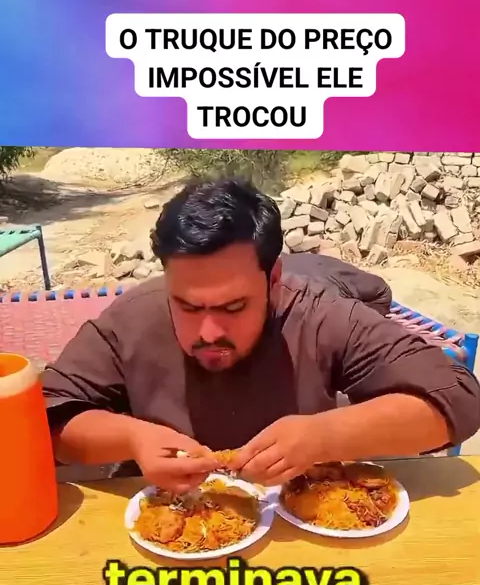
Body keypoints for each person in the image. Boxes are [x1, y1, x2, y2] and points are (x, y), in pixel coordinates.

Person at [42, 177, 480, 492]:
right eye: (187, 306)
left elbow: (459, 399)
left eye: (233, 307)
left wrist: (326, 435)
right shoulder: (132, 318)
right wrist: (132, 439)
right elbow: (45, 417)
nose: (208, 331)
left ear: (273, 282)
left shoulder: (320, 316)